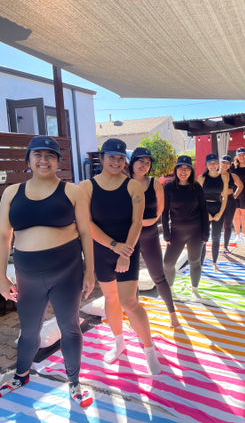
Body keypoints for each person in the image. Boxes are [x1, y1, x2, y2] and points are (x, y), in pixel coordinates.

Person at [0, 136, 94, 407]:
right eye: (38, 155)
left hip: (67, 271)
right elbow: (4, 235)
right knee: (29, 330)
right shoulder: (11, 193)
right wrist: (1, 277)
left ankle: (74, 382)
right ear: (28, 159)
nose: (44, 160)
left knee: (70, 326)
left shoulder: (72, 192)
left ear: (58, 161)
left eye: (50, 155)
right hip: (28, 274)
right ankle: (21, 375)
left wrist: (90, 271)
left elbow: (86, 233)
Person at [80, 138, 161, 375]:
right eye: (111, 157)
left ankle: (149, 350)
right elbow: (87, 223)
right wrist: (113, 245)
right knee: (111, 300)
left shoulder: (132, 186)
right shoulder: (87, 187)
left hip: (128, 249)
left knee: (129, 302)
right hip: (104, 250)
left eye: (120, 157)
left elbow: (137, 222)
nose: (116, 162)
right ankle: (119, 343)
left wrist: (125, 251)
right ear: (102, 158)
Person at [129, 147, 179, 327]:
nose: (144, 165)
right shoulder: (123, 182)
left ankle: (172, 314)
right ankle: (134, 317)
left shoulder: (155, 183)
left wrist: (146, 222)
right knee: (130, 279)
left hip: (149, 234)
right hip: (128, 238)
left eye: (147, 163)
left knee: (158, 276)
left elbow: (160, 211)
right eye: (140, 161)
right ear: (132, 162)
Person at [162, 155, 209, 299]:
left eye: (187, 168)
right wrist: (166, 233)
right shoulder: (169, 187)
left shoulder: (196, 187)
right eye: (181, 168)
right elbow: (165, 212)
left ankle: (194, 289)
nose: (184, 171)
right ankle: (170, 290)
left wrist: (206, 233)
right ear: (176, 170)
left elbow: (203, 210)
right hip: (176, 232)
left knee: (194, 261)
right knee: (168, 263)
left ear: (191, 171)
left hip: (196, 231)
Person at [198, 153, 243, 269]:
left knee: (216, 237)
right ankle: (201, 264)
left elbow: (225, 197)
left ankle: (214, 263)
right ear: (206, 165)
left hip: (218, 208)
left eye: (215, 163)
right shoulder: (201, 178)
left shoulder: (223, 177)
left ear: (218, 164)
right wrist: (206, 213)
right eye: (210, 163)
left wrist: (220, 213)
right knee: (204, 237)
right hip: (204, 209)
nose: (213, 166)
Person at [220, 155, 243, 253]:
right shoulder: (213, 175)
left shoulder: (233, 176)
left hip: (230, 201)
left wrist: (234, 196)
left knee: (227, 224)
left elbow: (241, 186)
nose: (225, 165)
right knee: (215, 224)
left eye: (227, 163)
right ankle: (214, 245)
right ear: (220, 163)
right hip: (217, 200)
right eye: (223, 162)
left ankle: (225, 247)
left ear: (230, 165)